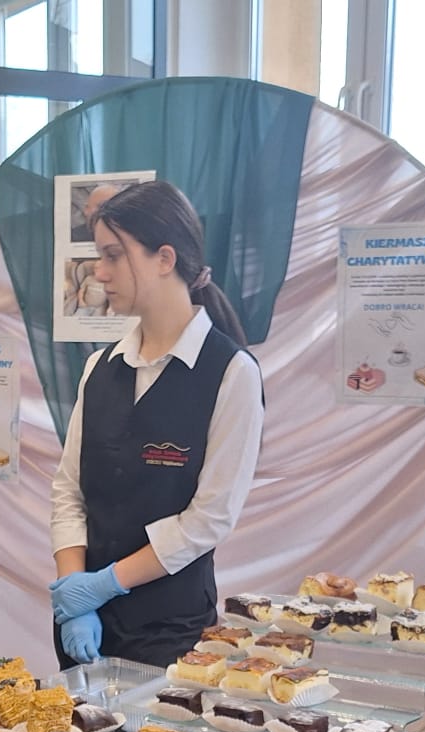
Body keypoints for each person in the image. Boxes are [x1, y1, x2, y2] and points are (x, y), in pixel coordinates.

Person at [49, 181, 264, 668]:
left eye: (113, 255)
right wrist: (75, 594)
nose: (99, 272)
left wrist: (106, 584)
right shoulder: (100, 368)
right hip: (84, 626)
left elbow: (209, 518)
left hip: (170, 633)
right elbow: (68, 491)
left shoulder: (231, 373)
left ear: (165, 258)